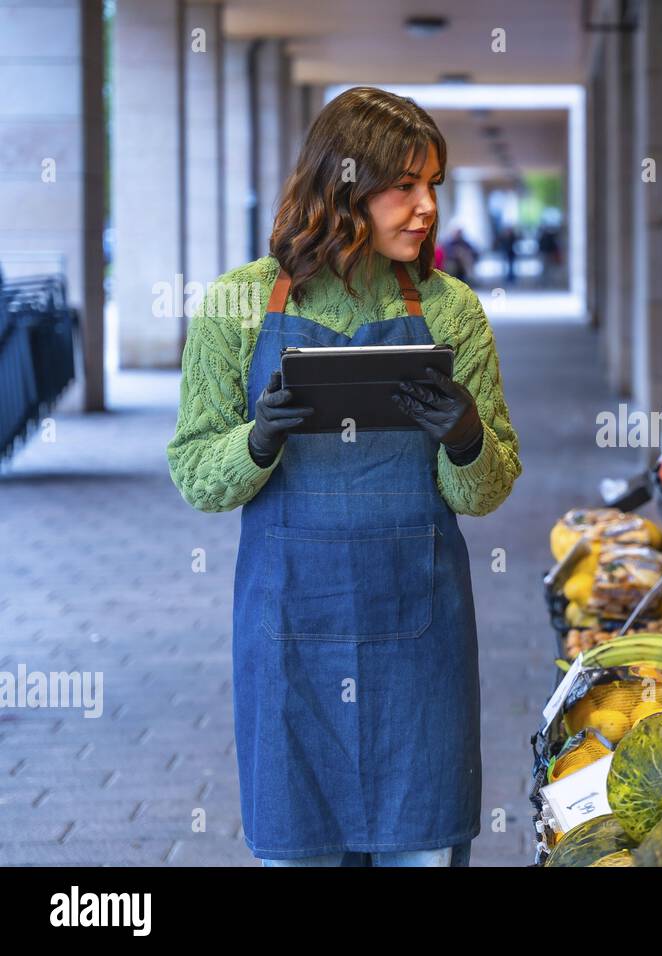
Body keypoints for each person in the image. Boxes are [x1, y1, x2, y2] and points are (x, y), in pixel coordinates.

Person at [166, 86, 522, 867]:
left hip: (419, 637)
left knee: (420, 848)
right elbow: (196, 472)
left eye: (434, 185)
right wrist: (257, 441)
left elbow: (487, 491)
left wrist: (464, 436)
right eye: (405, 186)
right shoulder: (239, 304)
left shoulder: (452, 310)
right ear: (344, 185)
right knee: (299, 847)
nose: (427, 206)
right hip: (289, 637)